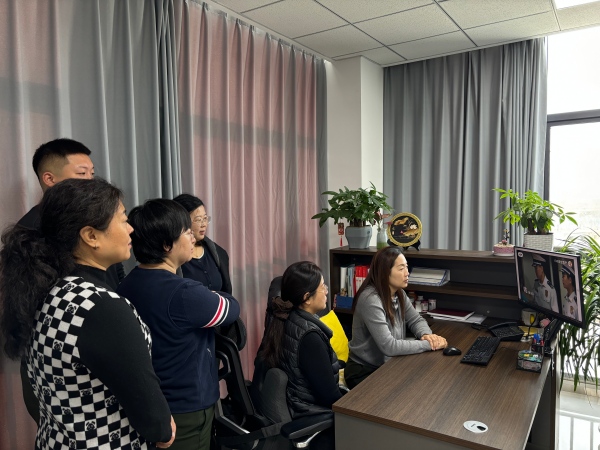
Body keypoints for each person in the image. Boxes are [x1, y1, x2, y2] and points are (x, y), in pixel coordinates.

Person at [0, 178, 175, 449]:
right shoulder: (101, 307)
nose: (131, 229)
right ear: (91, 236)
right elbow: (154, 419)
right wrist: (164, 429)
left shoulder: (45, 290)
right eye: (123, 219)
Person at [117, 199, 241, 450]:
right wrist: (213, 294)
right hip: (186, 410)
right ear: (166, 245)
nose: (193, 238)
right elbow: (231, 309)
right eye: (186, 232)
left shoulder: (127, 285)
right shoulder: (184, 293)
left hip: (149, 403)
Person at [17, 138, 125, 290]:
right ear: (49, 179)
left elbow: (115, 268)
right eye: (82, 173)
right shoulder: (31, 228)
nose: (91, 181)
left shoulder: (95, 213)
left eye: (92, 173)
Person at [258, 261, 343, 449]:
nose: (326, 291)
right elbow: (329, 396)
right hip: (312, 413)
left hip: (297, 403)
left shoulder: (285, 318)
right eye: (322, 287)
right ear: (307, 298)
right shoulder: (310, 337)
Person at [345, 247, 447, 389]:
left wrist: (427, 335)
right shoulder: (370, 299)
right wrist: (428, 345)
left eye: (406, 267)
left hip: (388, 364)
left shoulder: (399, 293)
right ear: (385, 272)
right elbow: (389, 346)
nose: (407, 273)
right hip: (363, 370)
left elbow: (416, 320)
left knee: (426, 381)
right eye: (401, 268)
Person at [172, 194, 231, 294]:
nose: (204, 224)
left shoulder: (218, 253)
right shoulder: (172, 255)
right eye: (198, 220)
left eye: (205, 218)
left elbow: (226, 292)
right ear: (181, 221)